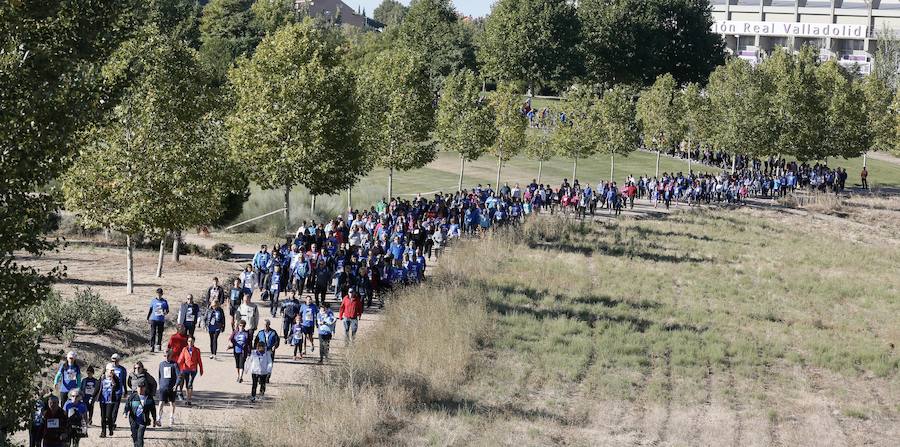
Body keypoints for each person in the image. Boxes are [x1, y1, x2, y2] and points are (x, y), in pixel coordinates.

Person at [123, 379, 156, 447]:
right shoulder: (132, 397)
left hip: (143, 420)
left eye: (142, 387)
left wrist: (154, 419)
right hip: (133, 419)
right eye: (139, 387)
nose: (140, 389)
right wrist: (125, 412)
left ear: (145, 388)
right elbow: (127, 405)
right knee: (135, 436)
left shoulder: (149, 398)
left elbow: (153, 409)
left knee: (140, 436)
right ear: (137, 388)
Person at [175, 336, 203, 407]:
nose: (190, 342)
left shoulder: (197, 350)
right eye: (189, 341)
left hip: (193, 369)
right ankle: (188, 398)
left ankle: (189, 400)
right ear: (187, 342)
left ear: (194, 342)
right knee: (187, 384)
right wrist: (177, 365)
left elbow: (199, 360)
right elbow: (181, 358)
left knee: (190, 384)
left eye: (192, 341)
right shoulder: (184, 349)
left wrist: (201, 369)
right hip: (185, 369)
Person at [156, 350, 179, 426]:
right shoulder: (161, 364)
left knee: (172, 403)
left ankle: (171, 418)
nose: (166, 357)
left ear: (171, 356)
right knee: (161, 403)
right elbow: (160, 376)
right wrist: (160, 385)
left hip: (172, 388)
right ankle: (158, 419)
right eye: (165, 356)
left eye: (168, 356)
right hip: (163, 388)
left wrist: (176, 385)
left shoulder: (174, 364)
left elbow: (179, 376)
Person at [97, 365, 121, 438]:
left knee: (108, 416)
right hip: (103, 399)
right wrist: (92, 397)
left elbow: (118, 388)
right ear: (107, 370)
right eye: (111, 371)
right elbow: (97, 387)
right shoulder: (102, 378)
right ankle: (103, 432)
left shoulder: (115, 378)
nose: (112, 372)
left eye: (113, 371)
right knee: (103, 417)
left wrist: (113, 381)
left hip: (111, 400)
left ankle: (110, 428)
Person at [146, 288, 169, 352]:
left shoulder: (164, 301)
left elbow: (167, 310)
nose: (158, 295)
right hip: (153, 319)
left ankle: (158, 345)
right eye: (157, 293)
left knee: (160, 333)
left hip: (161, 319)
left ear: (162, 294)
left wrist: (165, 313)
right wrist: (148, 318)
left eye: (160, 293)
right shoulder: (153, 301)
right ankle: (152, 346)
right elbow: (150, 309)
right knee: (153, 333)